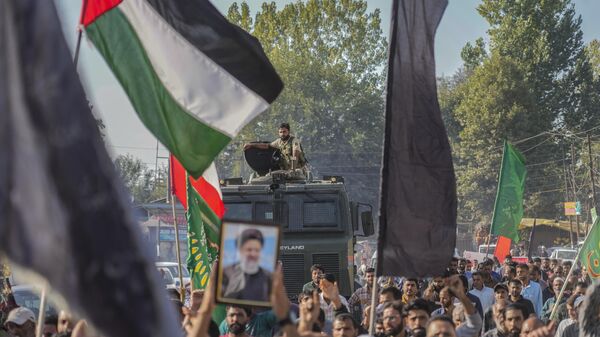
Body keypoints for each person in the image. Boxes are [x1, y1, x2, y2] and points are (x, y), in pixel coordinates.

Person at [221, 228, 272, 302]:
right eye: (249, 250)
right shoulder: (226, 272)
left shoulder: (268, 276)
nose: (253, 254)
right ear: (240, 250)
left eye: (257, 250)